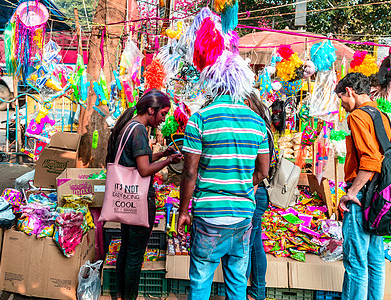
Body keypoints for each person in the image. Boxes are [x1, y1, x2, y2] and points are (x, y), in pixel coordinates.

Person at [177, 60, 270, 299]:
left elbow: (189, 172)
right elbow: (263, 172)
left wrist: (183, 211)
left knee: (201, 280)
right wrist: (240, 188)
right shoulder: (257, 123)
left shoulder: (200, 119)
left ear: (213, 83)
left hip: (208, 215)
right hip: (243, 216)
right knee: (237, 281)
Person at [105, 89, 183, 300]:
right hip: (138, 201)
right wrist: (169, 161)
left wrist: (163, 153)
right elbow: (144, 170)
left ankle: (121, 294)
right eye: (163, 114)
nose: (163, 119)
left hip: (125, 199)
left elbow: (140, 158)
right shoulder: (139, 131)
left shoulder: (128, 127)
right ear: (151, 110)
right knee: (134, 255)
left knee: (126, 249)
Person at [335, 72, 391, 300]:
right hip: (380, 195)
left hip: (362, 197)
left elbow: (370, 160)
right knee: (375, 258)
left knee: (356, 262)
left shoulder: (357, 116)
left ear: (349, 91)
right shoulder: (382, 115)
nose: (343, 106)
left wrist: (351, 193)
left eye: (342, 99)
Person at [244, 90, 276, 300]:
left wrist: (249, 191)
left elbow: (260, 169)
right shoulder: (265, 128)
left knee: (246, 244)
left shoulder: (258, 129)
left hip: (256, 191)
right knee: (254, 242)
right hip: (261, 190)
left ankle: (248, 291)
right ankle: (257, 290)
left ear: (247, 103)